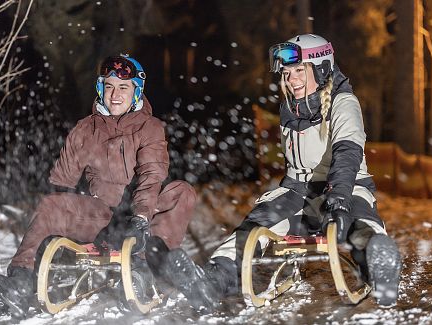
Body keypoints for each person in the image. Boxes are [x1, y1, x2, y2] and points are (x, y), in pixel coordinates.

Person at [165, 34, 402, 311]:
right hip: (298, 191)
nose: (291, 79)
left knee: (358, 223)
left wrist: (338, 198)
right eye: (287, 73)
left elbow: (347, 152)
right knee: (256, 225)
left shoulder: (343, 102)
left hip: (345, 185)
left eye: (300, 70)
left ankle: (380, 266)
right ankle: (213, 281)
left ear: (322, 68)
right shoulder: (291, 106)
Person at [0, 54, 197, 316]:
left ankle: (146, 268)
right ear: (101, 89)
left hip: (141, 219)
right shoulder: (85, 129)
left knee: (181, 191)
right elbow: (61, 182)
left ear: (136, 91)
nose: (115, 94)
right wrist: (60, 218)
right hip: (102, 216)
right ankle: (18, 286)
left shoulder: (150, 127)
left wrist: (141, 218)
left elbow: (151, 174)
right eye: (109, 86)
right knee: (51, 204)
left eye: (124, 87)